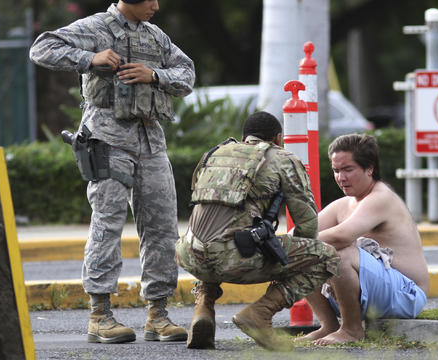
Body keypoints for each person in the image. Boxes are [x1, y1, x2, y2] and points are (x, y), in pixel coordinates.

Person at [29, 0, 194, 344]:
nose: (156, 5)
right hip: (107, 140)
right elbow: (42, 48)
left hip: (150, 142)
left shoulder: (155, 36)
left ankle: (158, 315)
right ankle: (100, 315)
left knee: (163, 227)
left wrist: (156, 75)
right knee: (107, 224)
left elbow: (187, 74)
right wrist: (91, 59)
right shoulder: (96, 27)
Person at [175, 111, 340, 351]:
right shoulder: (282, 158)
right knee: (327, 256)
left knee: (213, 236)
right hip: (234, 258)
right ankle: (260, 313)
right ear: (278, 138)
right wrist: (292, 261)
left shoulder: (214, 154)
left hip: (188, 254)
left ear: (244, 139)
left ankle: (203, 308)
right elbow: (307, 224)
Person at [298, 134, 429, 345]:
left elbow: (342, 236)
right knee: (301, 253)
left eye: (348, 169)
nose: (341, 177)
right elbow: (300, 232)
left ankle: (351, 330)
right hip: (375, 293)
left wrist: (293, 245)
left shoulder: (381, 197)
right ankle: (329, 326)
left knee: (339, 250)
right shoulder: (344, 204)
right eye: (336, 171)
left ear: (369, 168)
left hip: (406, 294)